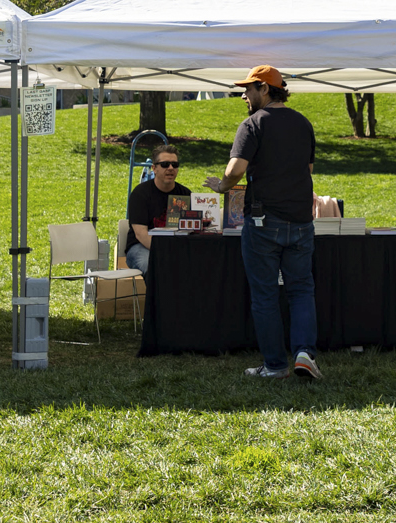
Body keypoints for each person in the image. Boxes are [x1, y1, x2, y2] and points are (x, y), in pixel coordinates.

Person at [207, 65, 318, 380]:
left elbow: (235, 170)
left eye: (249, 89)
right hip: (300, 221)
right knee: (300, 291)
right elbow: (306, 170)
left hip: (263, 221)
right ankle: (304, 354)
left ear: (266, 89)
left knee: (266, 295)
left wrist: (221, 186)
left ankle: (275, 366)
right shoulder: (303, 123)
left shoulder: (252, 124)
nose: (243, 95)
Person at [124, 144, 188, 274]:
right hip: (140, 246)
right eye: (165, 164)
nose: (170, 168)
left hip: (175, 248)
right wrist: (165, 252)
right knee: (152, 264)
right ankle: (158, 295)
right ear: (154, 168)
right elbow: (141, 234)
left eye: (174, 165)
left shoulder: (185, 194)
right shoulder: (140, 194)